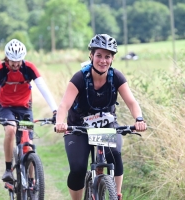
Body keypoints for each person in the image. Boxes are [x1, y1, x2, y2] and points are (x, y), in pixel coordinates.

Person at [55, 34, 147, 200]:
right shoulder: (80, 77)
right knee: (78, 169)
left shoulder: (116, 77)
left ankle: (116, 195)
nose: (103, 61)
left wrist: (139, 119)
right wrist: (60, 122)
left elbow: (132, 102)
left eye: (107, 56)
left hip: (105, 126)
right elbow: (64, 105)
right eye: (99, 55)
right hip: (78, 128)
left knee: (114, 153)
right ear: (91, 55)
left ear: (112, 59)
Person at [0, 39, 58, 182]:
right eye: (12, 61)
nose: (16, 64)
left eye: (18, 60)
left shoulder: (29, 68)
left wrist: (55, 110)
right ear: (7, 58)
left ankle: (32, 183)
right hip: (6, 107)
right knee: (11, 129)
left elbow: (43, 88)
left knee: (29, 145)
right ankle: (8, 170)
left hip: (25, 108)